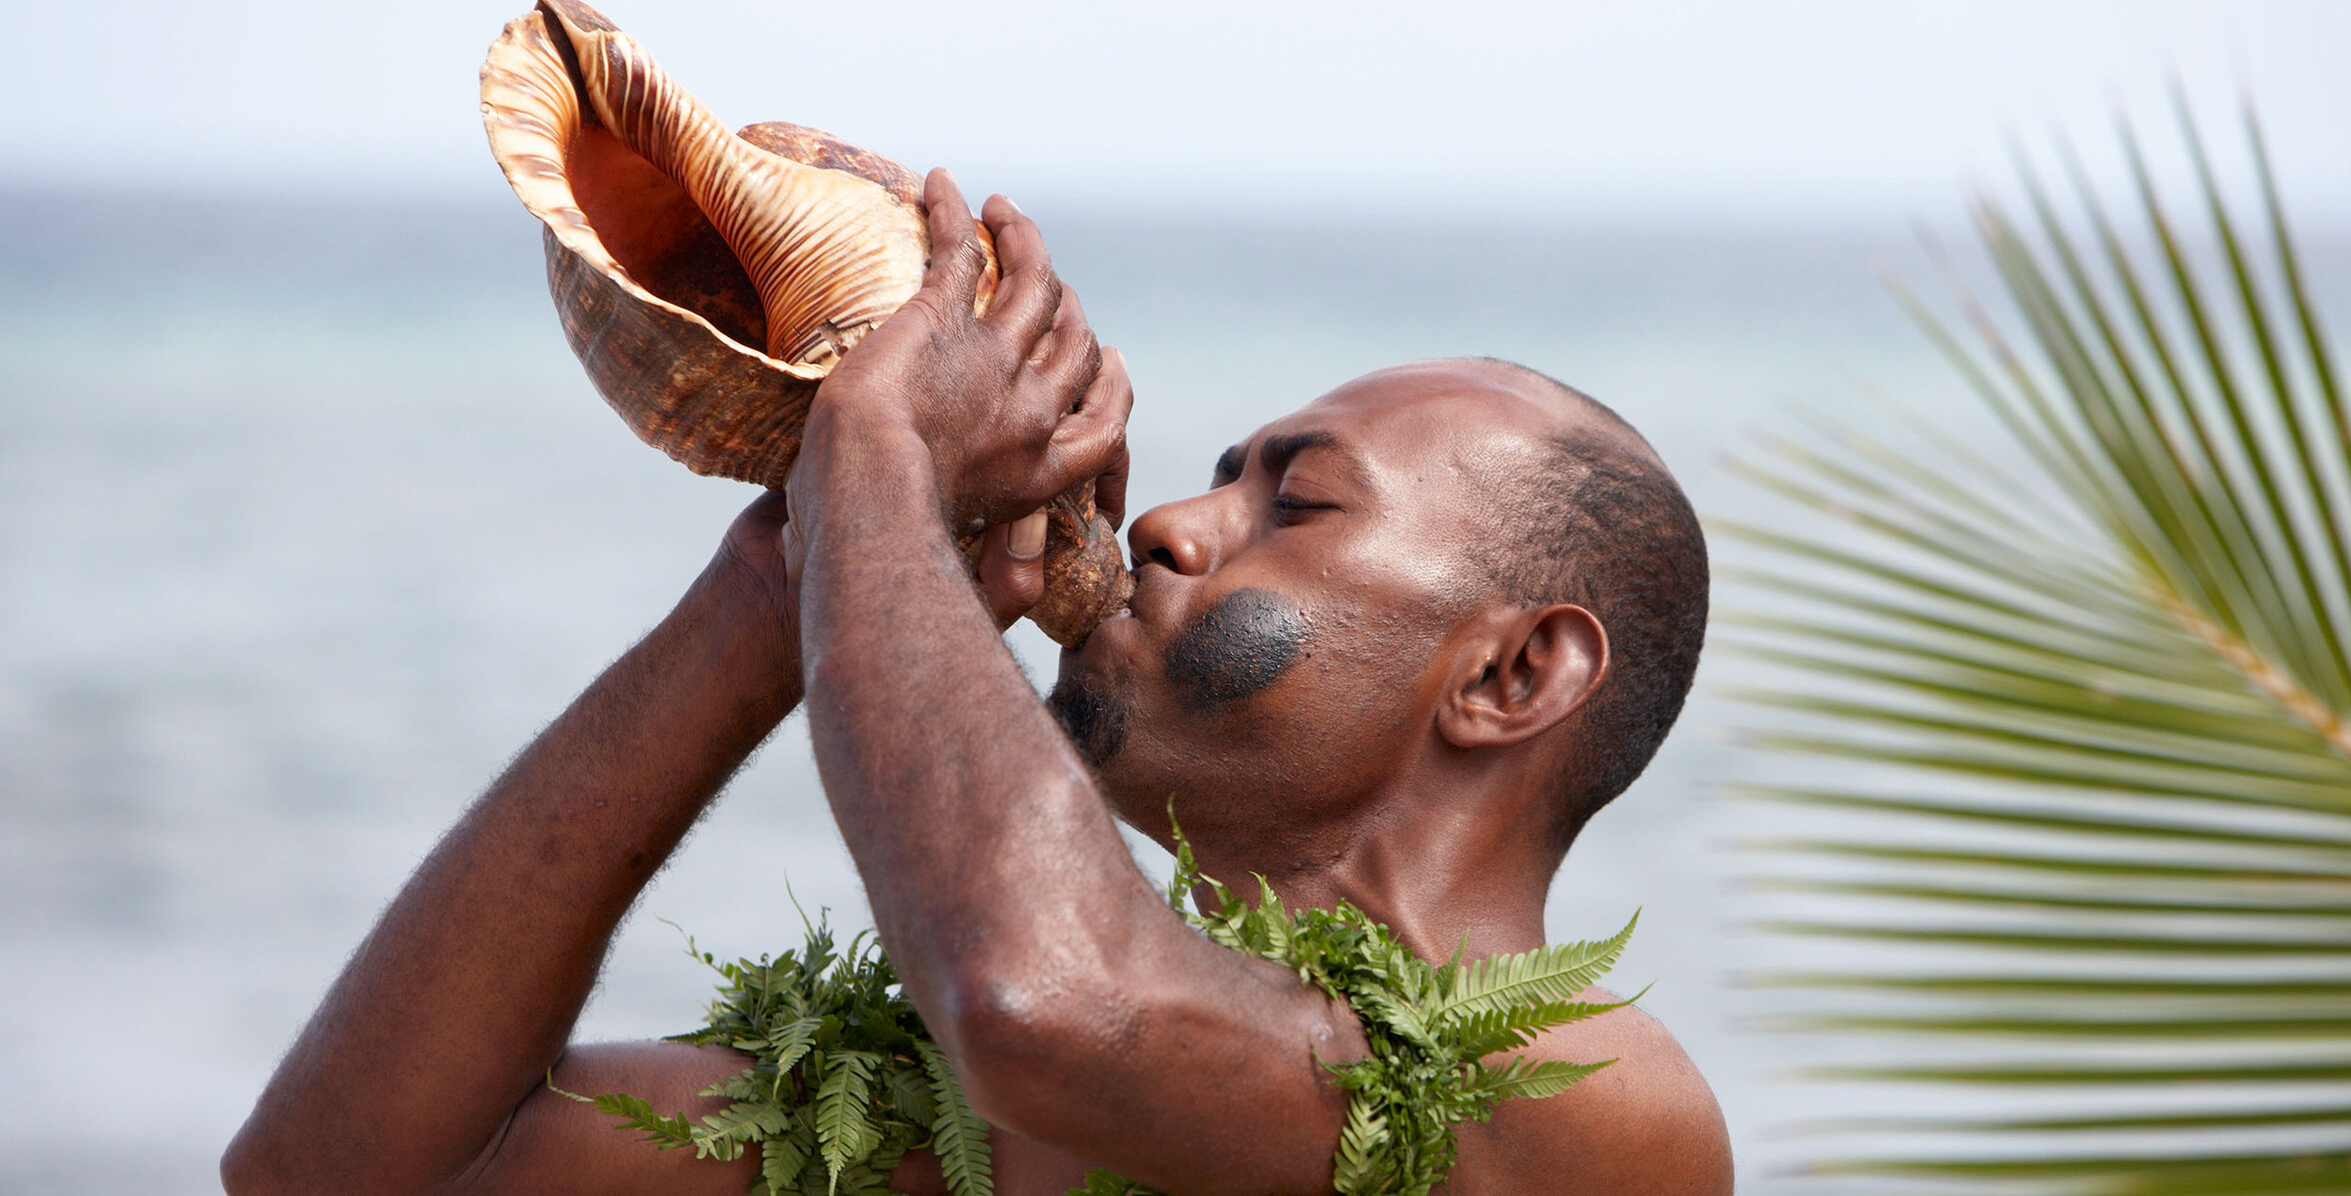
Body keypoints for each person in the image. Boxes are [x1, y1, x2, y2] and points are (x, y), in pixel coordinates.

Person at [220, 170, 1728, 1196]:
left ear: (1517, 672)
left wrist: (881, 452)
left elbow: (1045, 1002)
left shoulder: (1589, 1101)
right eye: (1217, 477)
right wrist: (777, 584)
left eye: (1299, 505)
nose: (1171, 526)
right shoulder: (978, 1114)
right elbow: (345, 1169)